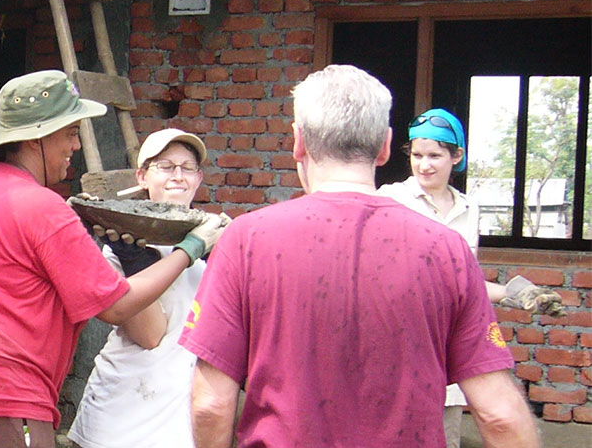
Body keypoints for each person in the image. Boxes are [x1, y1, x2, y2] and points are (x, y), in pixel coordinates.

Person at [179, 64, 538, 447]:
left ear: (297, 142)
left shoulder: (246, 239)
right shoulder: (445, 249)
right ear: (385, 146)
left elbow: (211, 405)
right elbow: (499, 415)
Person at [0, 70, 225, 448]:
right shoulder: (42, 207)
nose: (75, 144)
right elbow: (117, 306)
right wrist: (189, 248)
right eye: (70, 132)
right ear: (34, 138)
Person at [378, 108, 564, 447]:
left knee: (444, 438)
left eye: (435, 155)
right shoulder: (391, 199)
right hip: (398, 346)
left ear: (456, 156)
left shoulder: (468, 209)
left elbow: (463, 282)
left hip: (446, 350)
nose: (424, 165)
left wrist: (513, 292)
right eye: (417, 155)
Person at [67, 129, 212, 448]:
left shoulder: (210, 237)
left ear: (199, 178)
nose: (178, 176)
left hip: (175, 417)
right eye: (165, 166)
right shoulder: (122, 242)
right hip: (123, 415)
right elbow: (148, 336)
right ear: (143, 176)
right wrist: (135, 262)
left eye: (187, 167)